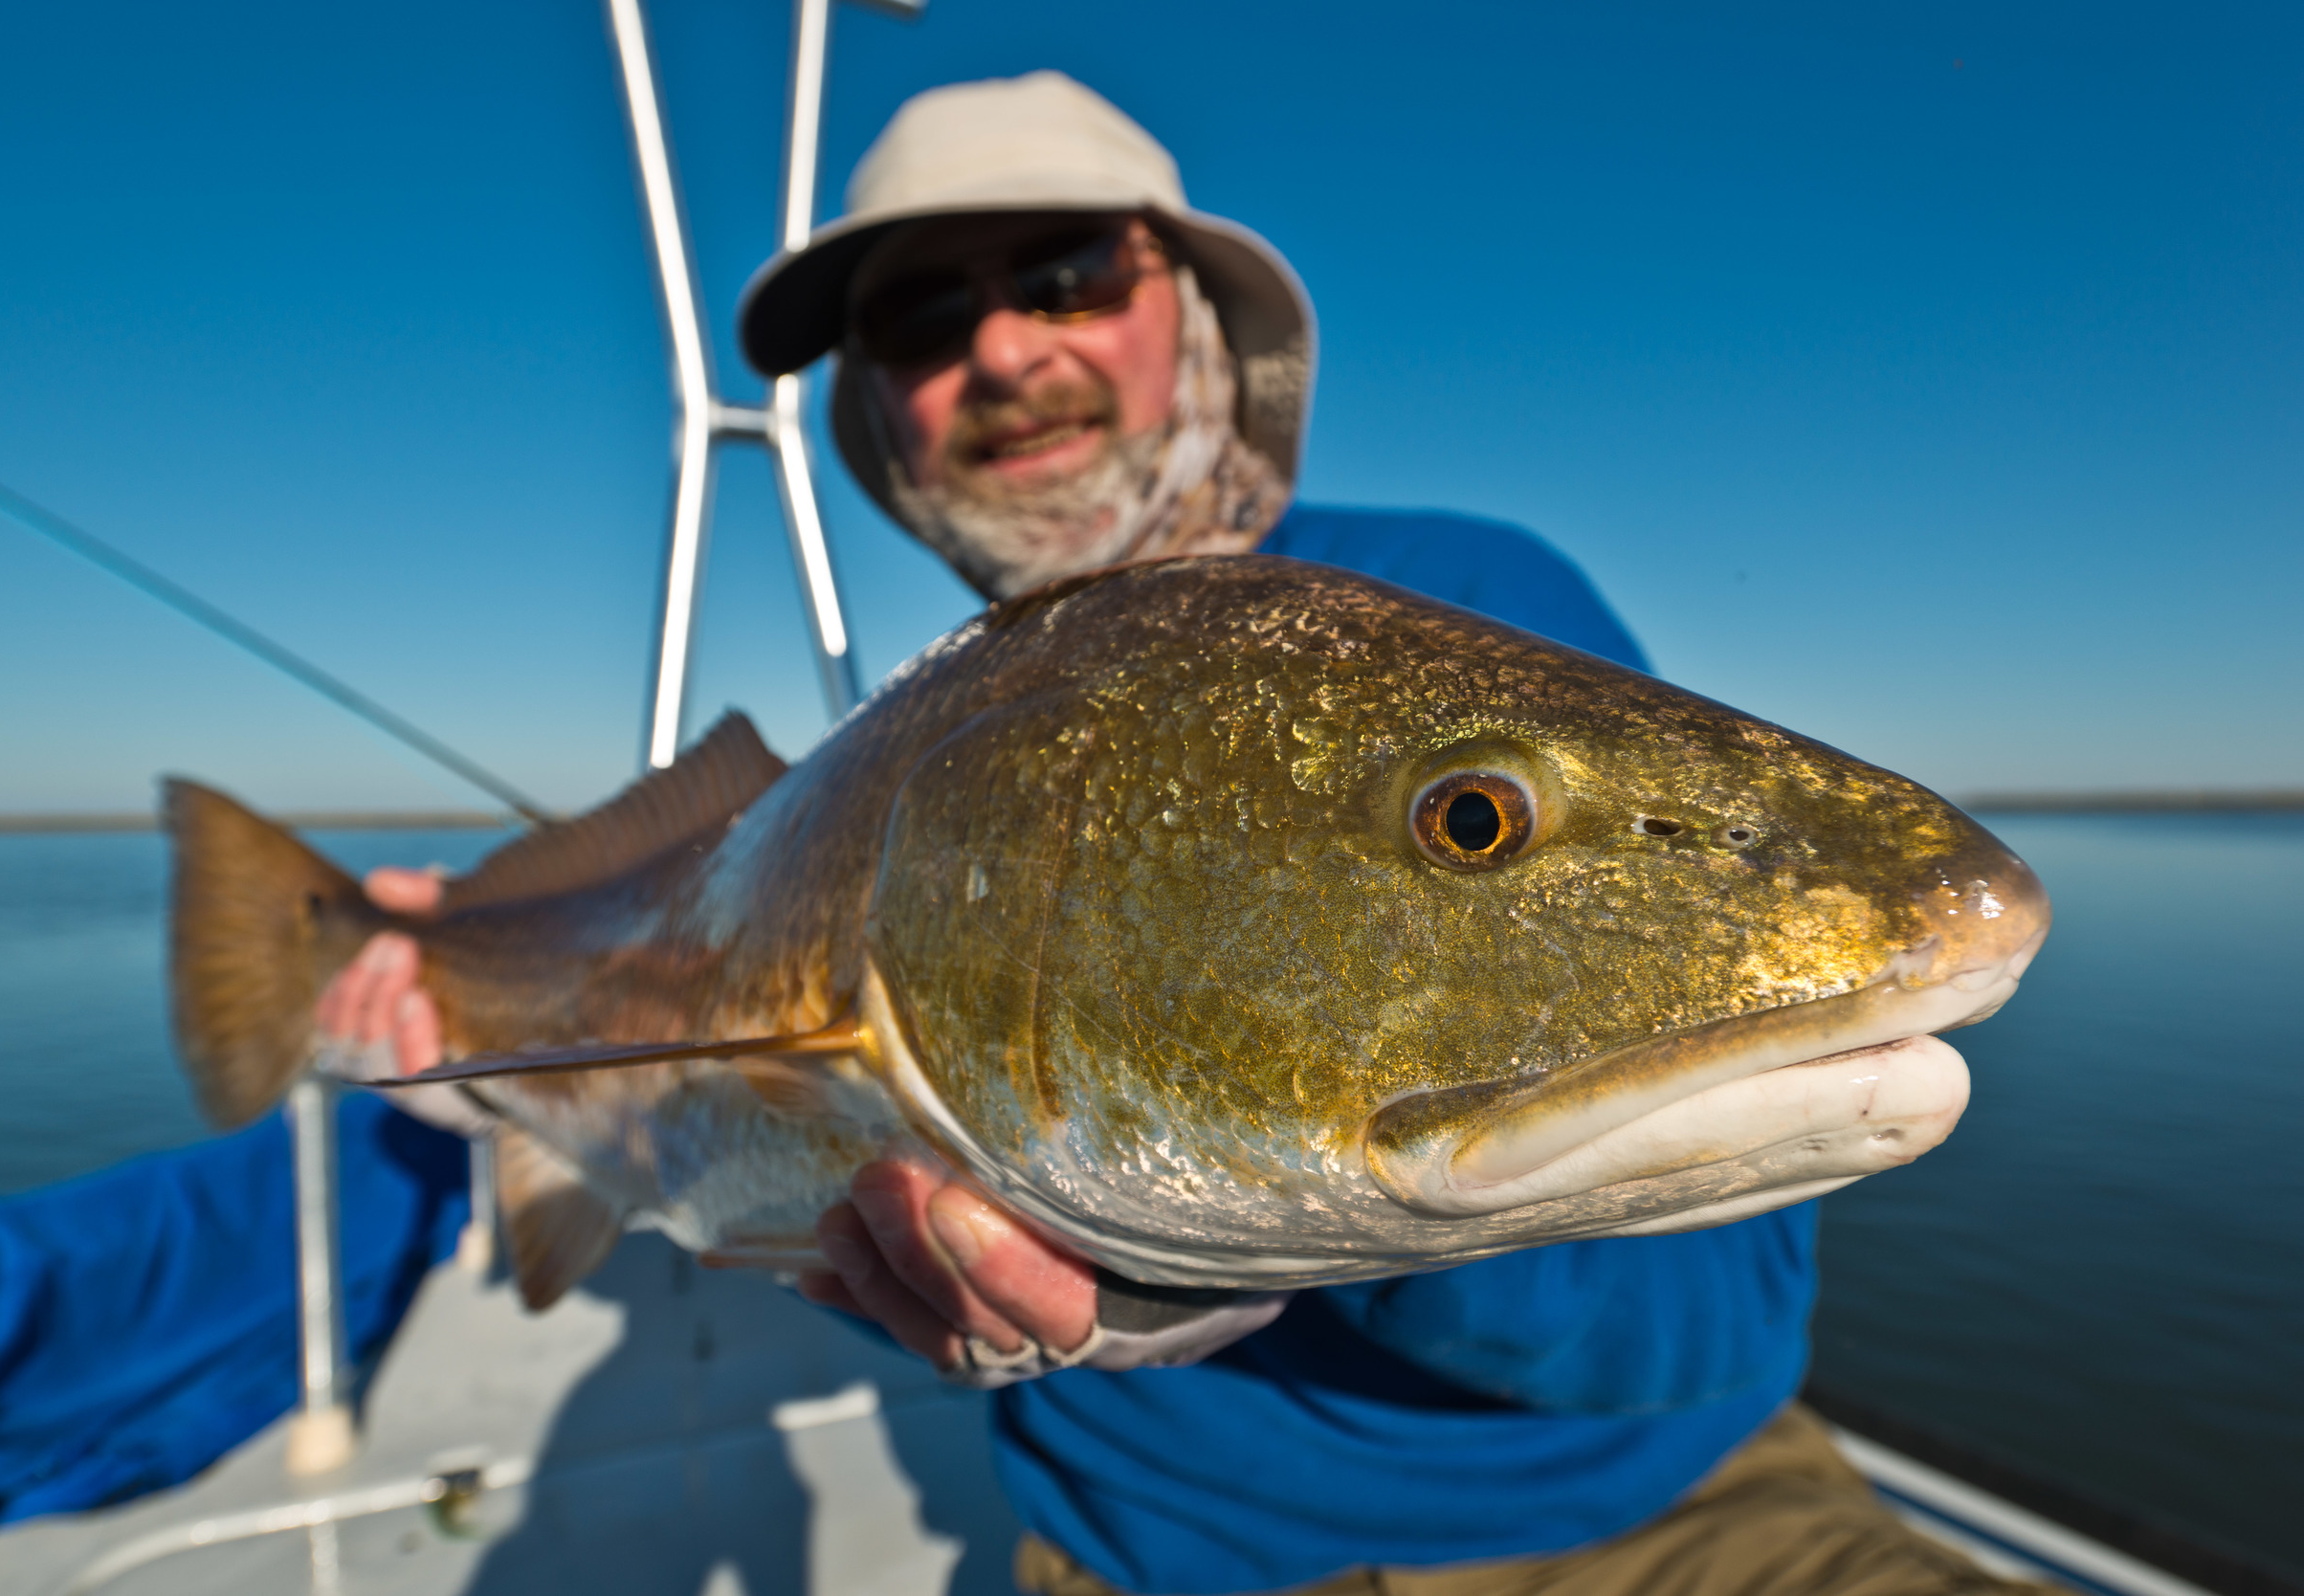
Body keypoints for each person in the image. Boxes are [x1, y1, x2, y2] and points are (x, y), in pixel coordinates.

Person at [321, 72, 2062, 1596]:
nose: (1007, 348)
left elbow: (1728, 1323)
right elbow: (741, 1142)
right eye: (924, 321)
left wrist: (1272, 1251)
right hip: (1152, 1564)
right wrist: (474, 1017)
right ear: (873, 408)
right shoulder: (875, 761)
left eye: (1067, 272)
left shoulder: (1482, 609)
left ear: (1189, 307)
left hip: (1655, 1529)